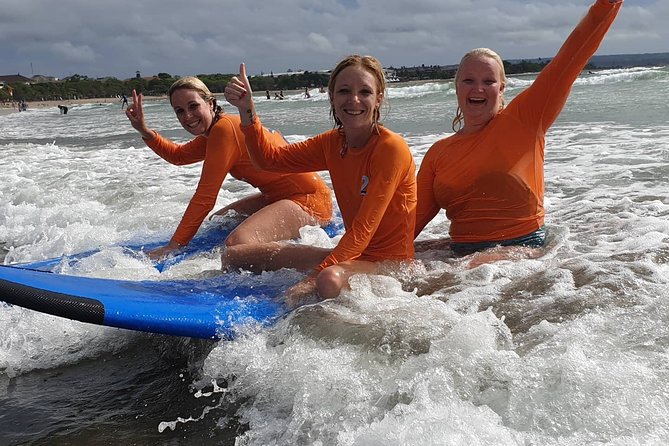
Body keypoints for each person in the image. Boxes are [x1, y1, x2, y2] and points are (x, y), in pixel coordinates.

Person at [414, 0, 624, 262]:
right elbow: (409, 222)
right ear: (456, 87)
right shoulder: (438, 153)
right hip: (462, 250)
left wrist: (607, 4)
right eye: (469, 80)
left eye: (488, 81)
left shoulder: (525, 120)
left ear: (501, 89)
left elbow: (570, 59)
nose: (478, 88)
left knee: (465, 271)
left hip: (522, 247)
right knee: (401, 261)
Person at [223, 55, 417, 301]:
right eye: (344, 91)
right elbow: (268, 160)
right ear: (332, 97)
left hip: (392, 265)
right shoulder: (333, 143)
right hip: (351, 255)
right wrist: (246, 109)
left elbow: (364, 229)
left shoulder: (390, 149)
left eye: (365, 92)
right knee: (235, 257)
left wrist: (312, 278)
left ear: (378, 99)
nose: (354, 100)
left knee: (328, 279)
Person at [124, 77, 333, 259]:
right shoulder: (214, 132)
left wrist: (173, 246)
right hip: (280, 197)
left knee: (237, 244)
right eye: (180, 111)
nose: (187, 116)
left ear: (211, 104)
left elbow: (205, 197)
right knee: (219, 222)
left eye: (193, 106)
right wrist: (144, 129)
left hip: (309, 200)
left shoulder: (224, 130)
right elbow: (179, 156)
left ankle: (318, 260)